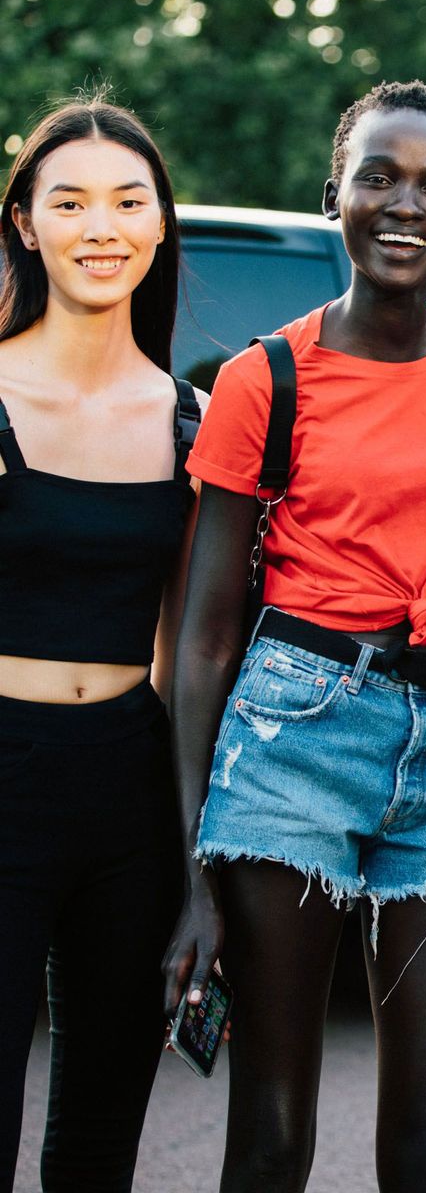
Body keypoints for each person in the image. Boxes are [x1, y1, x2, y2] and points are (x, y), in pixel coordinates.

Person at [160, 80, 426, 1193]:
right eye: (379, 177)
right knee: (270, 1132)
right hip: (292, 737)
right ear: (336, 197)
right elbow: (205, 636)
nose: (404, 204)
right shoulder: (263, 378)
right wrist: (191, 866)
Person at [0, 96, 201, 1192]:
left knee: (99, 1137)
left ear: (162, 225)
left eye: (129, 201)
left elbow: (191, 642)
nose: (101, 226)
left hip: (129, 787)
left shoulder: (193, 421)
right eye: (68, 202)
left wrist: (193, 846)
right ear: (24, 223)